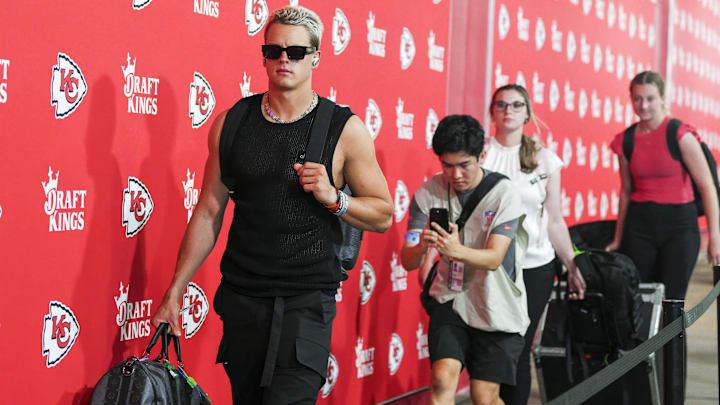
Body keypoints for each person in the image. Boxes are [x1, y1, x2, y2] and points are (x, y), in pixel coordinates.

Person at [151, 6, 393, 404]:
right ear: (263, 54)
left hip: (306, 302)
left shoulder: (344, 129)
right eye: (274, 50)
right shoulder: (232, 122)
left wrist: (336, 198)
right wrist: (175, 291)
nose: (284, 59)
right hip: (243, 300)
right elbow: (209, 211)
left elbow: (382, 213)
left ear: (316, 57)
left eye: (296, 52)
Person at [401, 114, 530, 405]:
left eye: (464, 165)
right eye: (447, 165)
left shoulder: (503, 193)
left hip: (497, 306)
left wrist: (454, 249)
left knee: (484, 396)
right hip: (451, 299)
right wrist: (421, 245)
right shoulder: (426, 193)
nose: (455, 175)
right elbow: (408, 261)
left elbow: (495, 258)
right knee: (442, 378)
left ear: (481, 155)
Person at [483, 84, 586, 405]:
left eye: (516, 105)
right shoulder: (479, 154)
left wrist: (573, 264)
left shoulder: (545, 160)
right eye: (501, 105)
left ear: (527, 113)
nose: (508, 110)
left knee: (519, 346)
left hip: (535, 268)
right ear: (492, 112)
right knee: (491, 348)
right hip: (489, 266)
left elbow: (554, 221)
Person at [607, 70, 720, 300]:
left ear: (662, 99)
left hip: (680, 227)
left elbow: (708, 186)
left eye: (650, 98)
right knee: (642, 300)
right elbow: (626, 192)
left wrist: (715, 239)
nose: (644, 105)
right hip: (640, 225)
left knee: (672, 302)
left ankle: (672, 339)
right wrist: (619, 238)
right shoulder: (625, 140)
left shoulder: (679, 134)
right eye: (637, 98)